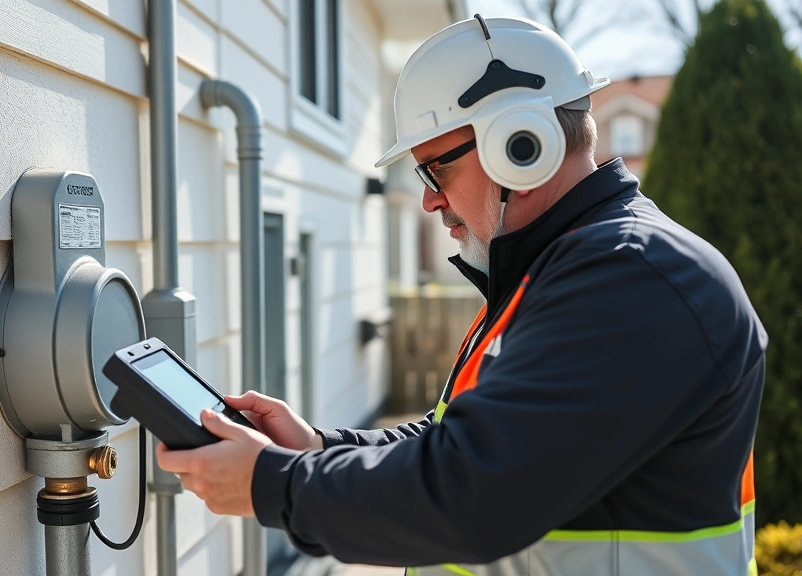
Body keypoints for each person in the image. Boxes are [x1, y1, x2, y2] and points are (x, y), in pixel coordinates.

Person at [157, 14, 766, 576]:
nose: (428, 200)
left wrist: (275, 486)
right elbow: (461, 439)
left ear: (520, 144)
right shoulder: (567, 269)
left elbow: (473, 493)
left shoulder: (632, 278)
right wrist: (320, 448)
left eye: (435, 170)